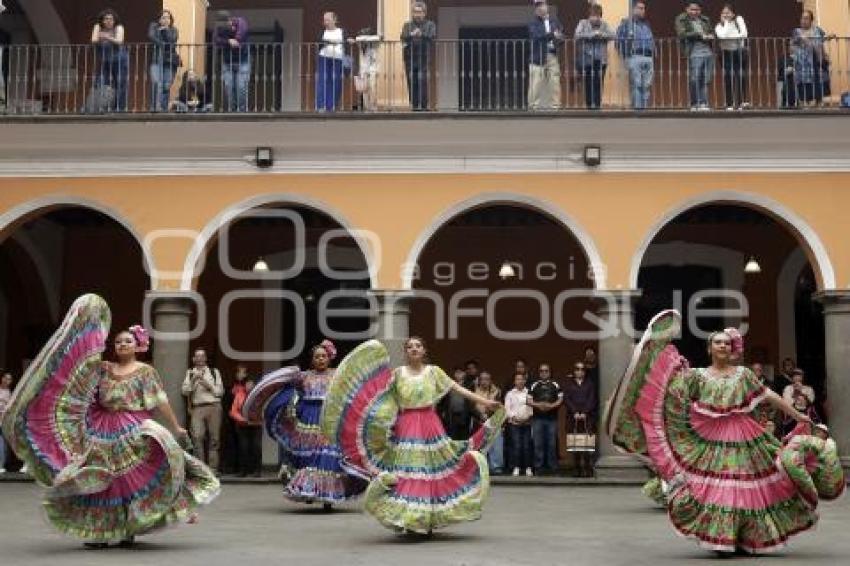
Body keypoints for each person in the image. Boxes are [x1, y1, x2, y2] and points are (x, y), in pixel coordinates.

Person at [608, 311, 844, 554]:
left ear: (732, 348)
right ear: (709, 349)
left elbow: (768, 395)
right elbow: (670, 391)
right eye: (717, 342)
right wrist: (651, 363)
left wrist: (797, 415)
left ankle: (745, 536)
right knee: (722, 488)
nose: (722, 345)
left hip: (745, 436)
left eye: (726, 342)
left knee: (748, 486)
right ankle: (724, 537)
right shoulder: (696, 376)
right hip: (710, 439)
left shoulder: (744, 375)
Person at [0, 295, 219, 547]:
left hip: (133, 429)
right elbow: (76, 372)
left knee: (128, 481)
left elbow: (160, 400)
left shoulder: (146, 371)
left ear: (138, 345)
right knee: (102, 479)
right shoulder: (103, 369)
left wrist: (176, 426)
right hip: (100, 429)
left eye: (128, 341)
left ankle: (128, 528)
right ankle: (99, 532)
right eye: (118, 341)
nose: (122, 344)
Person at [322, 337, 505, 534]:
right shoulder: (397, 374)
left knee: (429, 470)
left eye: (418, 346)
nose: (414, 349)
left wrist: (485, 403)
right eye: (409, 347)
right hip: (406, 426)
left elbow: (458, 389)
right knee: (410, 472)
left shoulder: (433, 372)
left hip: (429, 424)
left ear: (424, 350)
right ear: (405, 352)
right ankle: (410, 517)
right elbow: (379, 398)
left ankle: (426, 518)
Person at [243, 340, 365, 507]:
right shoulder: (303, 377)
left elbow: (350, 392)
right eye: (317, 357)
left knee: (327, 454)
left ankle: (326, 495)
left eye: (323, 356)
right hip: (308, 419)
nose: (320, 359)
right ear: (312, 359)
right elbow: (286, 389)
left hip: (329, 418)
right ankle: (309, 489)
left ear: (329, 358)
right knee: (310, 455)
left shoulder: (338, 375)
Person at [182, 348, 224, 474]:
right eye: (197, 356)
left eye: (202, 356)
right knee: (197, 437)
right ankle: (201, 468)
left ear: (205, 358)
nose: (200, 358)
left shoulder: (214, 372)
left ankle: (213, 469)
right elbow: (184, 391)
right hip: (198, 408)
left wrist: (208, 385)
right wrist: (194, 380)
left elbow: (220, 392)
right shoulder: (190, 373)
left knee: (214, 439)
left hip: (214, 407)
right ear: (193, 359)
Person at [675, 1, 714, 111]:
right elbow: (681, 34)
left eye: (697, 10)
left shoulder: (705, 19)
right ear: (687, 10)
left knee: (705, 79)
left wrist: (710, 36)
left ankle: (703, 103)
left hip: (707, 50)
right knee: (694, 78)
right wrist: (699, 35)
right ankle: (694, 103)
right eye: (692, 9)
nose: (695, 12)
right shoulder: (681, 19)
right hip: (694, 51)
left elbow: (711, 32)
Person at [574, 3, 614, 110]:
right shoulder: (583, 23)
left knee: (599, 83)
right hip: (587, 58)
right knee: (588, 83)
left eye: (597, 16)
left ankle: (597, 106)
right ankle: (589, 106)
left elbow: (613, 35)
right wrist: (591, 35)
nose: (595, 18)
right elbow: (577, 35)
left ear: (600, 16)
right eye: (592, 15)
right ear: (589, 15)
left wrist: (601, 35)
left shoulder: (604, 24)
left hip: (601, 59)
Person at [616, 0, 654, 110]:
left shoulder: (646, 24)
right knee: (636, 84)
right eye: (640, 8)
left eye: (643, 8)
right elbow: (618, 40)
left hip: (648, 56)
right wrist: (627, 55)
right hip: (635, 56)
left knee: (646, 85)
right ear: (633, 9)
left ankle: (644, 109)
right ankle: (637, 109)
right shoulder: (626, 24)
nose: (643, 11)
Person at [792, 10, 834, 107]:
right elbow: (804, 41)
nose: (803, 20)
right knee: (805, 86)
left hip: (817, 60)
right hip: (804, 64)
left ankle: (819, 103)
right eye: (802, 18)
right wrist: (815, 43)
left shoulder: (817, 30)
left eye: (806, 18)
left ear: (811, 20)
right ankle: (807, 105)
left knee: (819, 82)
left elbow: (822, 39)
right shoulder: (797, 31)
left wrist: (829, 37)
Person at [528, 1, 565, 110]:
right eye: (537, 6)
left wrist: (559, 38)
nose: (540, 8)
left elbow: (561, 34)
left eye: (542, 5)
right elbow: (537, 36)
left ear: (546, 7)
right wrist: (552, 35)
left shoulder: (555, 22)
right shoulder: (533, 23)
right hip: (537, 56)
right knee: (536, 83)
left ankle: (555, 106)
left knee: (555, 82)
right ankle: (533, 107)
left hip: (552, 55)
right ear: (535, 10)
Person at [91, 8, 129, 112]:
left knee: (120, 83)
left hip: (120, 59)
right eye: (106, 19)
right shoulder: (97, 26)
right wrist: (110, 38)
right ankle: (101, 107)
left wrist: (106, 37)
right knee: (102, 82)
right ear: (102, 20)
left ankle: (119, 108)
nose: (108, 21)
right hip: (105, 59)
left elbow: (119, 41)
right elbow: (94, 40)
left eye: (111, 19)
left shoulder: (119, 27)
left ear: (114, 20)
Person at [563, 362, 597, 477]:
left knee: (587, 445)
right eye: (577, 369)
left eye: (582, 369)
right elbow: (566, 399)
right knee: (575, 444)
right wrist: (575, 412)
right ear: (574, 371)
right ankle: (577, 468)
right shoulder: (568, 384)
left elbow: (592, 399)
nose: (580, 371)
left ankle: (588, 467)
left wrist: (585, 412)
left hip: (587, 419)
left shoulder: (590, 384)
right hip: (573, 418)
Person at [528, 363, 563, 474]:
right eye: (542, 371)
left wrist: (550, 406)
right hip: (537, 419)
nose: (544, 373)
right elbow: (528, 400)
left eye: (546, 371)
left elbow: (561, 399)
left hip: (552, 419)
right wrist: (539, 406)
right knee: (538, 443)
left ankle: (552, 467)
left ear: (550, 372)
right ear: (539, 373)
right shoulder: (534, 385)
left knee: (551, 443)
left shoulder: (555, 384)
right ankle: (539, 467)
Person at [401, 2, 436, 111]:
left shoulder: (430, 24)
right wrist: (412, 34)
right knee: (412, 82)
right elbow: (403, 37)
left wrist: (421, 34)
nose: (417, 14)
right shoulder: (407, 25)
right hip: (409, 57)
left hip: (423, 57)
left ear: (424, 13)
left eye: (419, 12)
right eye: (415, 12)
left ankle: (424, 106)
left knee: (423, 81)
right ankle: (415, 106)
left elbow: (432, 36)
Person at [229, 365, 262, 477]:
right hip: (242, 425)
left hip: (256, 425)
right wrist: (242, 419)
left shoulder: (259, 396)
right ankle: (243, 470)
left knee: (256, 447)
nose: (249, 386)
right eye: (247, 384)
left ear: (255, 385)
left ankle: (257, 470)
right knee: (244, 447)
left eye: (251, 384)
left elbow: (262, 409)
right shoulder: (239, 394)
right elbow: (233, 411)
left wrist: (255, 418)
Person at [214, 10, 250, 112]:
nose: (223, 26)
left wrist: (231, 38)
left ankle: (242, 111)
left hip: (243, 60)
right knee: (229, 87)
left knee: (241, 87)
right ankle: (232, 111)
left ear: (229, 20)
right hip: (227, 61)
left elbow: (239, 37)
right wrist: (228, 41)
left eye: (225, 24)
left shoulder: (241, 22)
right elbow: (216, 40)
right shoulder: (219, 27)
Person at [715, 3, 749, 110]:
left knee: (740, 76)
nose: (726, 14)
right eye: (723, 13)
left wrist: (732, 37)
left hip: (739, 51)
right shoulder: (719, 26)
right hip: (726, 53)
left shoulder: (739, 19)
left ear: (733, 14)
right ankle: (729, 103)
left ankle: (740, 102)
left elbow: (744, 34)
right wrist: (726, 23)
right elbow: (722, 36)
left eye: (728, 12)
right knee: (728, 77)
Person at [148, 9, 179, 112]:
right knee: (157, 84)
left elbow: (172, 42)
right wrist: (163, 44)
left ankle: (164, 109)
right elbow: (151, 37)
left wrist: (165, 31)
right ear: (159, 19)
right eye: (163, 17)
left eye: (168, 17)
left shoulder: (174, 30)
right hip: (156, 59)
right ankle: (155, 108)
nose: (166, 20)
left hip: (169, 61)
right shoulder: (154, 26)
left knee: (166, 85)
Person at [315, 12, 347, 112]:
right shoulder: (322, 31)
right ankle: (321, 106)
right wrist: (329, 42)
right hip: (324, 57)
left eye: (328, 20)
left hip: (338, 59)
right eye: (324, 20)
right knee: (323, 81)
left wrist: (349, 40)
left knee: (336, 81)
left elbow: (346, 41)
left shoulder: (341, 31)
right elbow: (318, 41)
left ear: (334, 20)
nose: (325, 22)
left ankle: (332, 106)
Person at [474, 371, 504, 475]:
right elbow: (472, 406)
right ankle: (480, 467)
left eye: (487, 379)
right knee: (480, 445)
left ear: (490, 381)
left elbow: (498, 406)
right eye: (482, 379)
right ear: (479, 380)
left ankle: (496, 468)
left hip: (493, 420)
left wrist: (488, 414)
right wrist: (480, 415)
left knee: (496, 445)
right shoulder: (474, 391)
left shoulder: (496, 391)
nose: (485, 381)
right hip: (478, 421)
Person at [505, 372, 533, 477]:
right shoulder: (510, 394)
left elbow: (531, 407)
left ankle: (528, 468)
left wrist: (527, 417)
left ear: (525, 381)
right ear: (514, 381)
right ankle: (516, 467)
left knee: (526, 446)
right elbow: (507, 409)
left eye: (522, 379)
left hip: (527, 423)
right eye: (517, 379)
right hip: (514, 424)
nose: (520, 381)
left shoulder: (529, 392)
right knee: (516, 446)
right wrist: (514, 417)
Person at [350, 28, 382, 111]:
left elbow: (379, 38)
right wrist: (361, 39)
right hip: (364, 68)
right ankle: (367, 106)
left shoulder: (375, 43)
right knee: (364, 89)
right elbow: (358, 39)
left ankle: (373, 106)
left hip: (373, 68)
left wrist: (366, 38)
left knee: (373, 86)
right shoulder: (361, 44)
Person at [439, 368, 473, 440]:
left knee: (463, 438)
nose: (458, 374)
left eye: (460, 372)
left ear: (464, 374)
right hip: (451, 416)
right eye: (456, 373)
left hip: (464, 416)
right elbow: (442, 400)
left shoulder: (469, 385)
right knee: (452, 438)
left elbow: (471, 403)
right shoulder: (449, 385)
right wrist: (443, 412)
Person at [782, 369, 818, 435]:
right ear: (792, 378)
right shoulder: (787, 388)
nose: (797, 377)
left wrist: (801, 391)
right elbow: (787, 403)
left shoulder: (809, 389)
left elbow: (811, 402)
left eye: (799, 375)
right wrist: (795, 393)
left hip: (806, 415)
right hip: (792, 415)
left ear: (802, 377)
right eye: (795, 375)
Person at [0, 372, 12, 473]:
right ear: (2, 379)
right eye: (7, 379)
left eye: (10, 379)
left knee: (4, 443)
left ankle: (2, 464)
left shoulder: (8, 391)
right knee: (2, 443)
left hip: (4, 420)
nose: (8, 381)